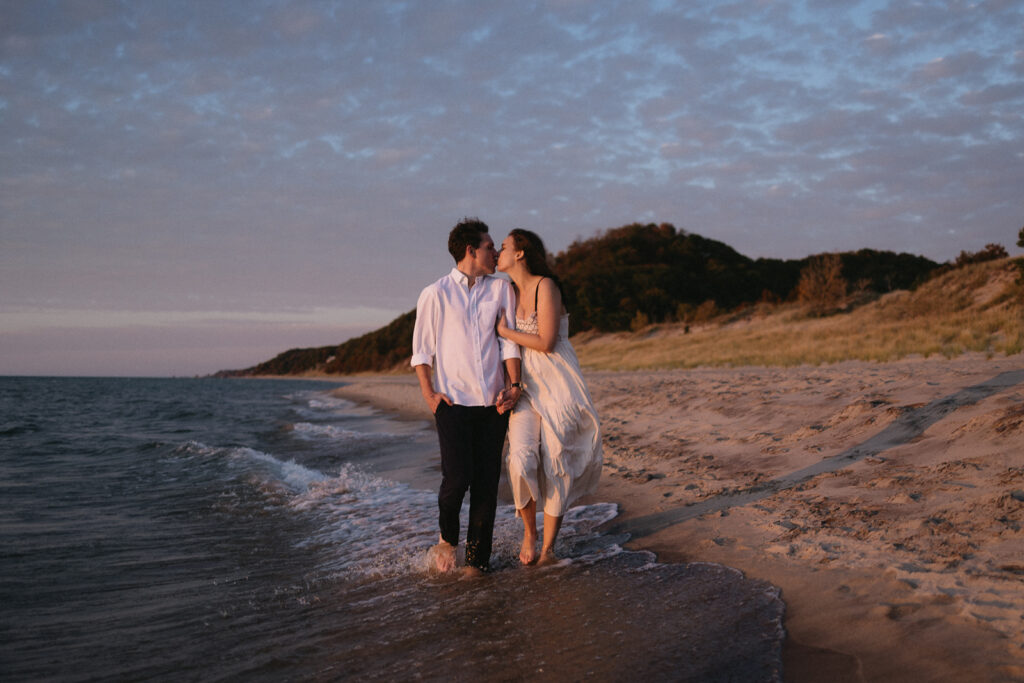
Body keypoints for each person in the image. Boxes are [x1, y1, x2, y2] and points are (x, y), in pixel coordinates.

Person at [412, 218, 523, 576]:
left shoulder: (501, 289)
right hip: (452, 402)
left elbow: (508, 341)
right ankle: (447, 538)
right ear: (470, 251)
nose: (495, 253)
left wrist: (514, 384)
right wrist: (429, 394)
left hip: (493, 403)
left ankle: (476, 562)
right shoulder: (435, 293)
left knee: (486, 486)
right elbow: (422, 351)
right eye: (490, 247)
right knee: (457, 479)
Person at [496, 229, 602, 565]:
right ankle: (530, 531)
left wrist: (505, 330)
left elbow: (547, 341)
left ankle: (548, 550)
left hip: (557, 382)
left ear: (520, 253)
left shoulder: (546, 286)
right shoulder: (508, 293)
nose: (498, 251)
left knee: (557, 459)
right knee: (520, 459)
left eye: (503, 247)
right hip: (525, 386)